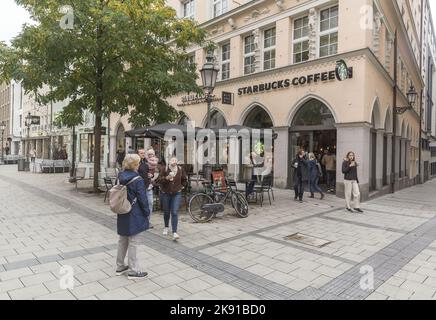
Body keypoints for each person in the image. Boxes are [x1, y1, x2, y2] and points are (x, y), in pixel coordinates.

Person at [116, 154, 150, 279]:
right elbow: (143, 199)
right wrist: (147, 212)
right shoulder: (138, 179)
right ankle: (133, 270)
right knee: (133, 241)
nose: (140, 164)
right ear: (135, 165)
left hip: (122, 210)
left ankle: (120, 266)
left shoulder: (120, 176)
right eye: (139, 162)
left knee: (123, 239)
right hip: (134, 212)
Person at [158, 157, 187, 241]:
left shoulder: (180, 169)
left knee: (174, 212)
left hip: (176, 193)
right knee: (166, 211)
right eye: (171, 160)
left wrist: (182, 187)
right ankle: (166, 227)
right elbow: (159, 180)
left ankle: (174, 232)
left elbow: (184, 180)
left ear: (177, 162)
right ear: (169, 161)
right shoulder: (165, 169)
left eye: (175, 160)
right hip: (166, 193)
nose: (173, 162)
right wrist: (166, 178)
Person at [137, 149, 152, 228]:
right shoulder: (135, 163)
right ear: (138, 154)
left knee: (150, 204)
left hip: (148, 186)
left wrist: (149, 175)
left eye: (144, 153)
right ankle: (141, 221)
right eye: (141, 153)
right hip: (140, 187)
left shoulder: (145, 162)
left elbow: (146, 173)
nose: (143, 154)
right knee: (141, 204)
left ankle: (147, 221)